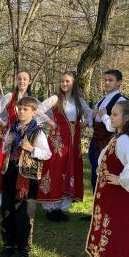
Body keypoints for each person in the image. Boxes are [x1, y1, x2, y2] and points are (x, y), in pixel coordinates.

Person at [85, 100, 129, 257]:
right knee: (106, 232)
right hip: (109, 196)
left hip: (119, 198)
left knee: (115, 233)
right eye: (111, 114)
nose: (111, 117)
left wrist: (121, 180)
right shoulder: (117, 138)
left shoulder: (125, 141)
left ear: (126, 118)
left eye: (115, 114)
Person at [0, 97, 52, 257]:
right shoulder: (12, 128)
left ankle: (22, 249)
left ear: (33, 112)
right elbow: (4, 148)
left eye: (25, 109)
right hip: (11, 171)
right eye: (19, 108)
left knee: (23, 213)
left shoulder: (38, 131)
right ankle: (9, 245)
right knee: (7, 210)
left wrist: (31, 149)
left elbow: (47, 154)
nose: (21, 112)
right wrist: (6, 144)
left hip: (27, 177)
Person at [35, 71, 92, 222]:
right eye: (62, 81)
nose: (64, 84)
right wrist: (50, 121)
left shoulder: (79, 100)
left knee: (70, 170)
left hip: (74, 143)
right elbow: (38, 110)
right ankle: (51, 208)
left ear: (74, 83)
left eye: (67, 81)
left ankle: (62, 206)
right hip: (58, 142)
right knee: (55, 170)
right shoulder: (55, 98)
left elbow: (90, 114)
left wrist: (84, 123)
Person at [0, 70, 34, 207]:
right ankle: (3, 198)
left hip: (24, 139)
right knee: (5, 165)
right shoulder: (9, 96)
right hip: (8, 137)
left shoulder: (32, 100)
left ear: (29, 81)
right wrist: (2, 123)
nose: (22, 81)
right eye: (19, 79)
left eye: (25, 79)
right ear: (16, 81)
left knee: (20, 166)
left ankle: (19, 196)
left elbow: (39, 115)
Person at [88, 69, 126, 192]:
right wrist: (92, 117)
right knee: (95, 175)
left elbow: (115, 127)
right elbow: (93, 124)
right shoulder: (101, 101)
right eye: (105, 80)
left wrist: (104, 116)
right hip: (95, 142)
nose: (107, 83)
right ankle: (96, 207)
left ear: (119, 82)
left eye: (110, 80)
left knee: (106, 174)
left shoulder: (121, 101)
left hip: (108, 143)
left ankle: (106, 208)